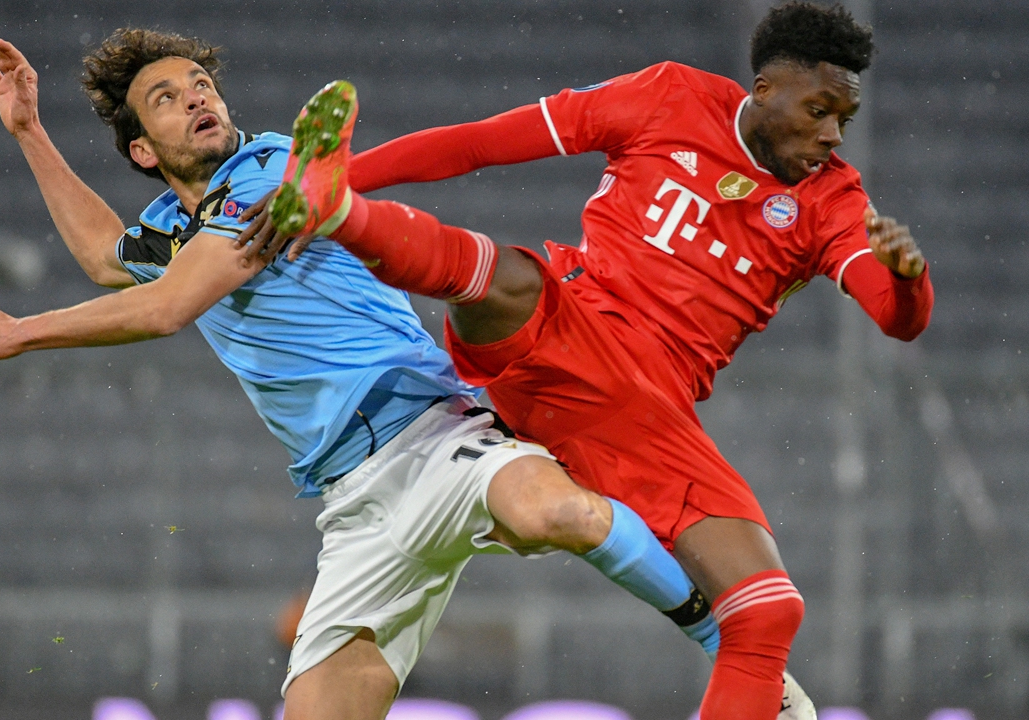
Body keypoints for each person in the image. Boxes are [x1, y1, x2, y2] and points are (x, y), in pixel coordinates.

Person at [0, 29, 775, 720]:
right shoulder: (168, 226)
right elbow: (103, 258)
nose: (197, 96)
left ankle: (735, 654)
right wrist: (27, 131)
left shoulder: (271, 172)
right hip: (352, 500)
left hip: (432, 426)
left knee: (550, 509)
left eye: (201, 83)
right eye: (168, 97)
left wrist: (21, 331)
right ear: (142, 152)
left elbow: (168, 307)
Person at [249, 2, 933, 718]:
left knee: (768, 612)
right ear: (764, 89)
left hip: (642, 410)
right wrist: (350, 176)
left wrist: (909, 279)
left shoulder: (832, 200)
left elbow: (894, 315)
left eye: (843, 121)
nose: (830, 135)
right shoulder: (669, 98)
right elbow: (482, 143)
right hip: (562, 328)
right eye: (819, 110)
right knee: (506, 276)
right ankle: (338, 210)